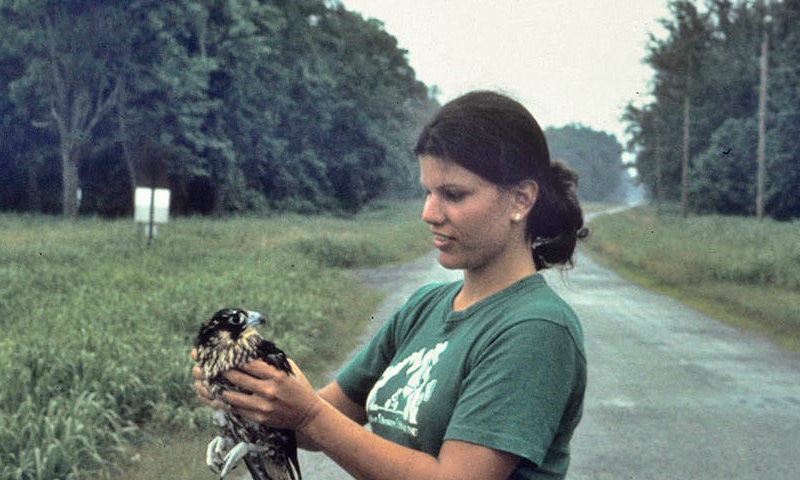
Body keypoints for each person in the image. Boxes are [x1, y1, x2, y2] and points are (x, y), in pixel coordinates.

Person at [193, 90, 587, 480]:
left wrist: (307, 413)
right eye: (427, 192)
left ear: (521, 199)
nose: (429, 213)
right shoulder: (426, 307)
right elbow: (316, 423)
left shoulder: (535, 329)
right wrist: (250, 393)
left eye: (453, 194)